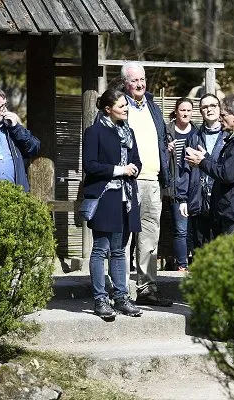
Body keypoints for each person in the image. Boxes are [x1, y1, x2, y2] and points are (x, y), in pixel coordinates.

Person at [109, 62, 173, 307]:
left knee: (149, 237)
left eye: (142, 79)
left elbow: (161, 137)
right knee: (123, 236)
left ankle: (147, 289)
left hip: (153, 180)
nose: (140, 84)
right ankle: (121, 291)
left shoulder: (154, 108)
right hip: (126, 180)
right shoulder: (119, 106)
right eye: (134, 80)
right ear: (125, 82)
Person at [82, 89, 143, 319]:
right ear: (108, 109)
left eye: (126, 105)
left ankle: (121, 297)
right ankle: (100, 299)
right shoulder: (94, 132)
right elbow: (90, 165)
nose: (126, 109)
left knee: (119, 251)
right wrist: (120, 170)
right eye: (121, 106)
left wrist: (134, 167)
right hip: (105, 195)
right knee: (101, 249)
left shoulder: (129, 132)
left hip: (126, 197)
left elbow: (135, 158)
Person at [184, 94, 234, 234]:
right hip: (233, 215)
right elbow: (226, 167)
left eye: (223, 115)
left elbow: (228, 174)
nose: (220, 118)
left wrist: (202, 162)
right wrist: (206, 158)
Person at [177, 94, 226, 252]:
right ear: (200, 111)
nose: (209, 109)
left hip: (222, 199)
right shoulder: (194, 137)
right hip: (198, 197)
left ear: (219, 109)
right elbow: (185, 170)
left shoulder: (228, 136)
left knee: (221, 246)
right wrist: (182, 198)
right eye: (205, 107)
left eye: (213, 105)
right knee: (200, 245)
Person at [165, 97, 197, 272]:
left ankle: (196, 262)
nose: (185, 113)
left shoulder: (196, 133)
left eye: (189, 110)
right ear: (176, 111)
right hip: (175, 187)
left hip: (194, 186)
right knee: (181, 229)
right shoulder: (167, 132)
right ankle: (182, 265)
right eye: (182, 110)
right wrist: (165, 149)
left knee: (195, 229)